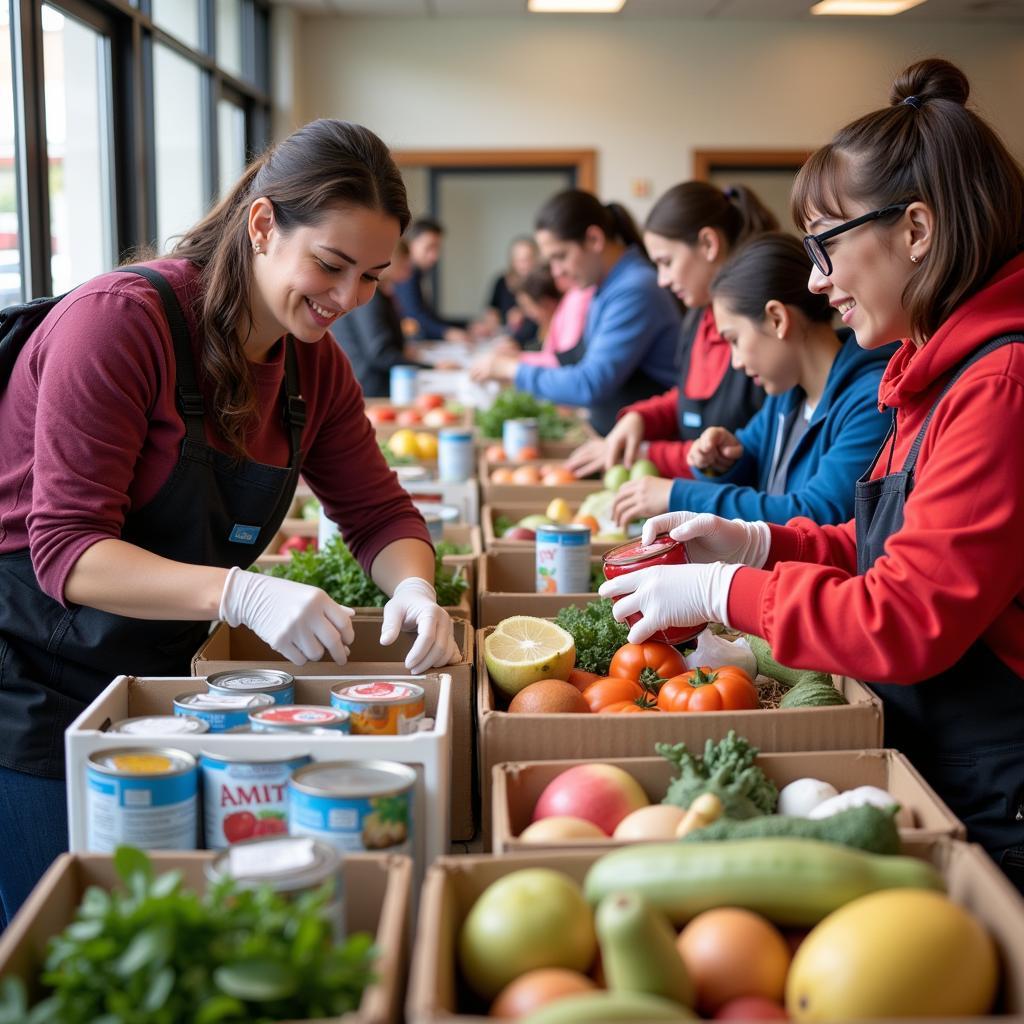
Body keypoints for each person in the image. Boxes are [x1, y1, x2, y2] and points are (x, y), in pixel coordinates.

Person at [0, 118, 461, 925]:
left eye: (373, 278)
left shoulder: (313, 363)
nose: (349, 299)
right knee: (77, 931)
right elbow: (68, 553)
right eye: (331, 264)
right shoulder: (120, 324)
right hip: (30, 676)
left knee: (174, 920)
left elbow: (378, 512)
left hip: (164, 674)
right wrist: (242, 595)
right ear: (261, 225)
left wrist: (416, 588)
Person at [599, 59, 1024, 889]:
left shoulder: (998, 385)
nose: (820, 280)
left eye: (826, 247)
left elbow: (905, 614)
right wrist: (757, 540)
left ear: (915, 230)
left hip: (1000, 774)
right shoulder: (934, 369)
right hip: (947, 747)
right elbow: (888, 548)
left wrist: (725, 592)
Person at [611, 233, 894, 529]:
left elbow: (814, 514)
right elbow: (750, 456)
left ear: (777, 320)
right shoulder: (788, 394)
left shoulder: (871, 401)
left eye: (734, 340)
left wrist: (678, 495)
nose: (735, 362)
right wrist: (724, 461)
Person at [569, 180, 772, 493]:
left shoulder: (759, 331)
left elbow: (745, 447)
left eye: (666, 262)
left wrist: (647, 452)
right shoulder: (697, 316)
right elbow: (690, 397)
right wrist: (640, 418)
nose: (662, 280)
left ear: (708, 244)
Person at [474, 189, 682, 434]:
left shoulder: (634, 289)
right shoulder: (604, 286)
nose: (555, 272)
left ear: (594, 239)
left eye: (560, 256)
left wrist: (511, 369)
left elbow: (590, 383)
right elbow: (576, 358)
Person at [331, 238, 427, 397]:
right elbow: (379, 352)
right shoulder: (371, 298)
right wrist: (427, 367)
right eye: (404, 262)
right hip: (370, 388)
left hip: (377, 381)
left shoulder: (383, 293)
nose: (408, 268)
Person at [392, 217, 469, 342]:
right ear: (411, 243)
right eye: (429, 247)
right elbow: (415, 315)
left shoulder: (417, 274)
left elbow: (430, 317)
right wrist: (447, 333)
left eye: (437, 248)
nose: (435, 256)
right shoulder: (405, 275)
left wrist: (465, 326)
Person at [476, 235, 540, 343]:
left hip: (529, 339)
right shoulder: (502, 281)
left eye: (528, 259)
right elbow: (492, 310)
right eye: (519, 260)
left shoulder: (541, 284)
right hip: (503, 336)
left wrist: (525, 313)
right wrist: (491, 322)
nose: (524, 265)